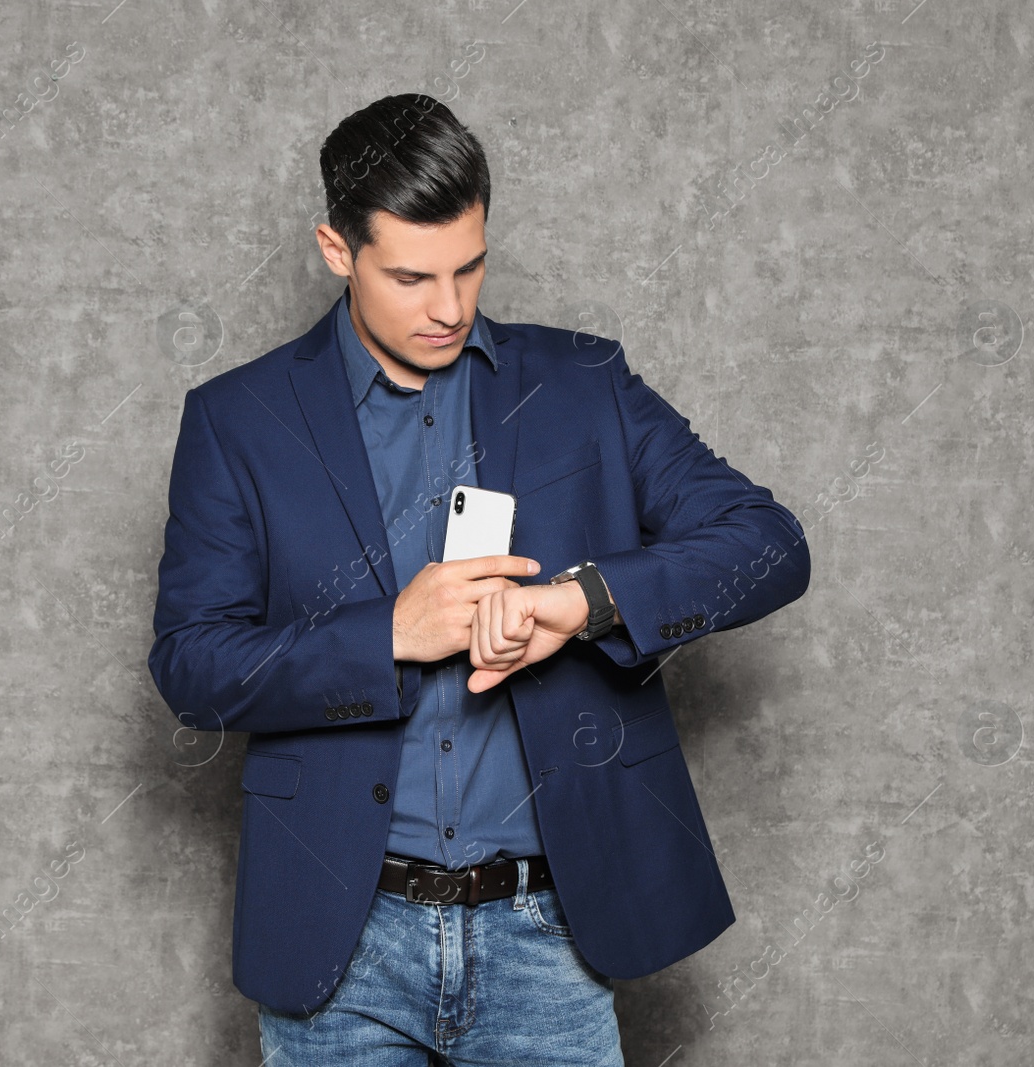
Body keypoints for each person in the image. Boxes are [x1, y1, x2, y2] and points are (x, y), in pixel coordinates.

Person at [148, 93, 811, 1066]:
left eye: (469, 266)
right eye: (412, 277)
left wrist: (579, 601)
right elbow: (191, 664)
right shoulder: (237, 420)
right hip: (339, 943)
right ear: (337, 250)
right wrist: (386, 634)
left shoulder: (584, 383)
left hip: (549, 934)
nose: (450, 306)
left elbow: (767, 542)